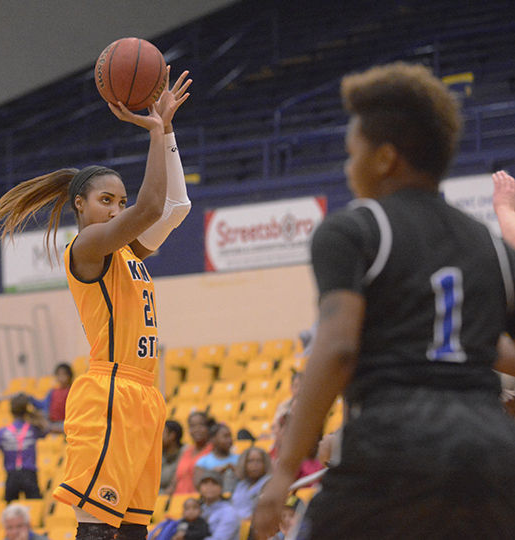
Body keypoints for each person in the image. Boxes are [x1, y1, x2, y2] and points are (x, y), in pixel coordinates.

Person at [252, 62, 515, 539]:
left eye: (352, 154)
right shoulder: (492, 246)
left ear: (384, 159)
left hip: (394, 445)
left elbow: (338, 348)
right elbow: (493, 349)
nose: (348, 167)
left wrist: (285, 470)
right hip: (491, 459)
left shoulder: (355, 229)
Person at [0, 67, 192, 540]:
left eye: (119, 202)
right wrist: (154, 133)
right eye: (106, 200)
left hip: (144, 395)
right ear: (80, 205)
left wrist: (170, 133)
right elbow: (151, 207)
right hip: (109, 391)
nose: (116, 210)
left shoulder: (127, 250)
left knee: (133, 531)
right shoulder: (88, 248)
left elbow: (175, 209)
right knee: (96, 528)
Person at [0, 393, 48, 502]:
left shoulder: (2, 433)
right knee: (35, 506)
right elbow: (46, 429)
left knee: (10, 509)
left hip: (12, 475)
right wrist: (33, 415)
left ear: (11, 411)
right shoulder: (33, 429)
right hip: (30, 474)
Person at [173, 411, 214, 494]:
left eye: (201, 425)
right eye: (192, 426)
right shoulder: (185, 451)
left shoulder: (213, 450)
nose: (196, 430)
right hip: (178, 500)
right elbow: (174, 482)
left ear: (208, 427)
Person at [193, 423, 238, 492]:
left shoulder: (239, 459)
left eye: (230, 436)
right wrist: (213, 473)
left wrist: (235, 470)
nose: (230, 440)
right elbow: (198, 485)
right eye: (225, 437)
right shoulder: (203, 462)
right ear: (213, 439)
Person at [30, 362, 74, 433]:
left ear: (69, 376)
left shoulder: (72, 391)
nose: (61, 377)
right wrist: (30, 399)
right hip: (52, 422)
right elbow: (43, 405)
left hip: (66, 424)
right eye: (58, 375)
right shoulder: (53, 392)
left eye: (63, 374)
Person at [231, 446, 272, 521]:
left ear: (265, 464)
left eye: (259, 461)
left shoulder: (269, 483)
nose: (255, 465)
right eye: (250, 461)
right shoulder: (241, 484)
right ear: (244, 464)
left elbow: (264, 512)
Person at [197, 470, 240, 540]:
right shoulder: (198, 509)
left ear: (221, 488)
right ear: (199, 488)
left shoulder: (229, 512)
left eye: (214, 483)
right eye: (205, 483)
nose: (209, 487)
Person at [160, 420, 184, 494]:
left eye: (162, 433)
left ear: (172, 435)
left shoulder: (185, 452)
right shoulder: (159, 454)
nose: (158, 437)